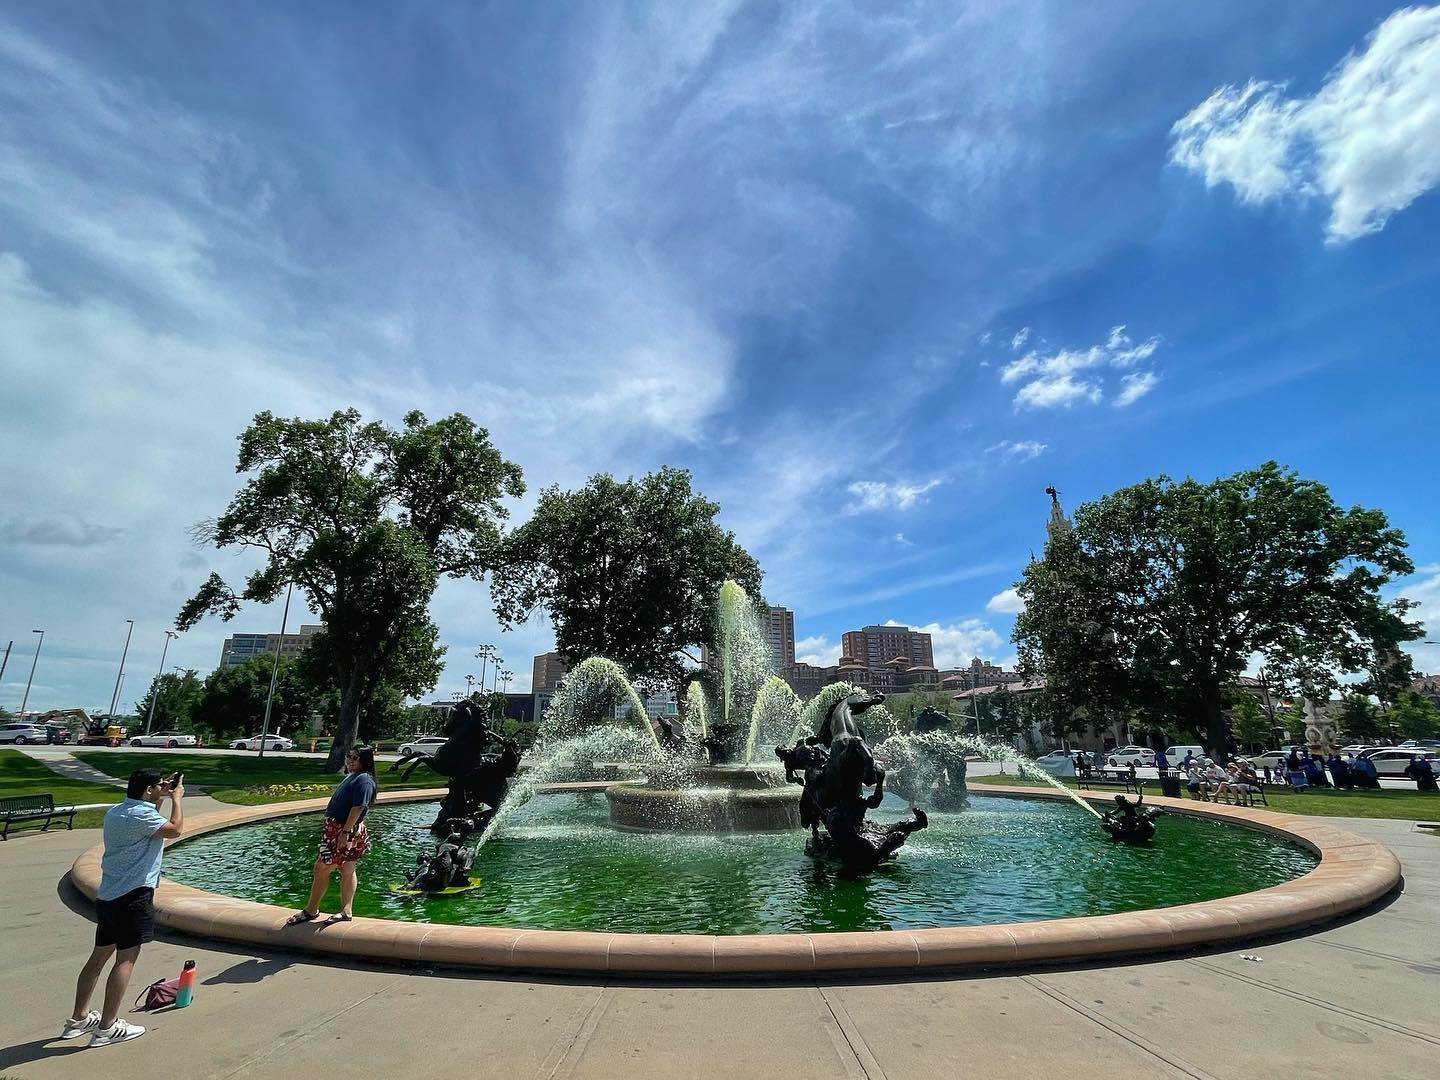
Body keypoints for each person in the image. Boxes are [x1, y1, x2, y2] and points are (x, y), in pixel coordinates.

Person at [64, 768, 184, 1047]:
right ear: (148, 790)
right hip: (134, 897)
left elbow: (151, 820)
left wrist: (161, 796)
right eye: (158, 787)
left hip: (109, 896)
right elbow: (175, 830)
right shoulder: (141, 816)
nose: (163, 789)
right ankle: (107, 1027)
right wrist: (177, 798)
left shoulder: (117, 812)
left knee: (98, 958)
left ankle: (78, 1019)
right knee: (125, 960)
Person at [286, 745, 378, 927]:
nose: (350, 760)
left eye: (354, 758)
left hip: (343, 830)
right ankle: (345, 910)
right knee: (347, 867)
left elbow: (359, 807)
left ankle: (312, 910)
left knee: (322, 867)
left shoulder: (364, 780)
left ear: (364, 760)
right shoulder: (355, 777)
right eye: (349, 756)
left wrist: (345, 832)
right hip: (341, 829)